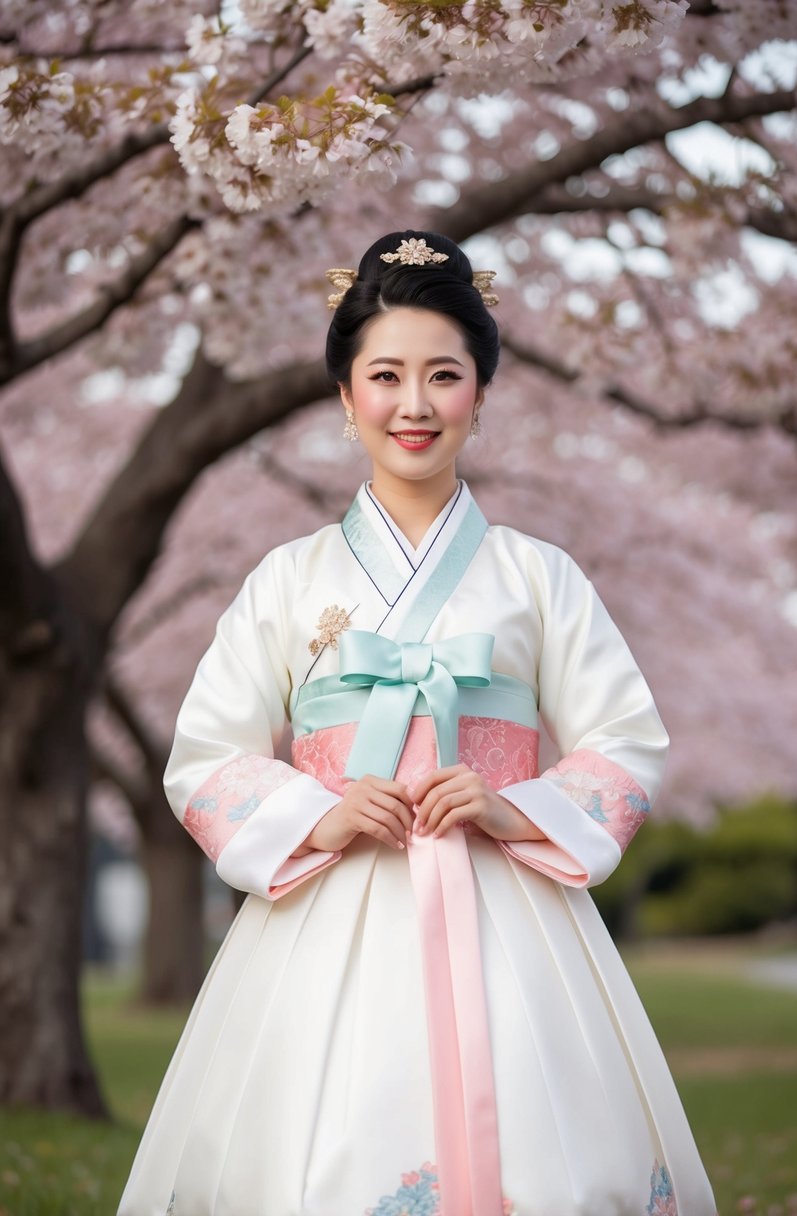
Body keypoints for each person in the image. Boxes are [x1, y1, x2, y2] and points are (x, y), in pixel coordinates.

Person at [118, 231, 717, 1216]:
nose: (414, 404)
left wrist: (510, 803)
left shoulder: (539, 576)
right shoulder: (288, 579)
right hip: (327, 908)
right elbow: (205, 756)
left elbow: (625, 738)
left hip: (508, 910)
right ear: (346, 398)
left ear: (478, 391)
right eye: (385, 375)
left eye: (443, 375)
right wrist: (321, 813)